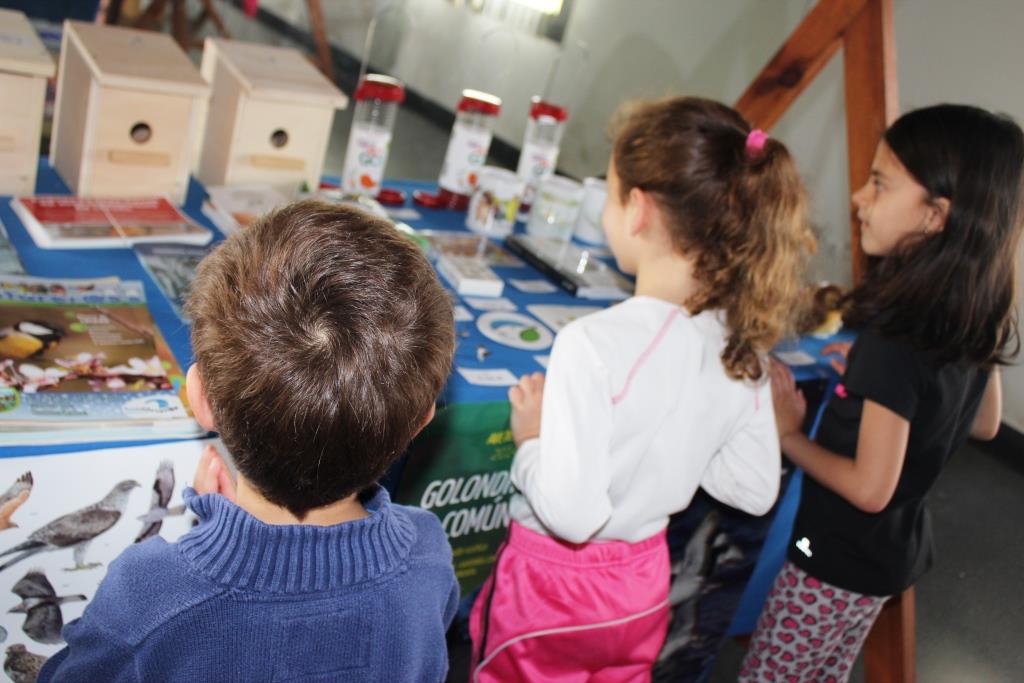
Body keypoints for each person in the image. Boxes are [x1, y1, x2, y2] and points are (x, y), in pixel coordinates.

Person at [469, 96, 816, 681]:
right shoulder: (740, 350)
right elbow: (755, 490)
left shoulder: (591, 344)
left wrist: (531, 442)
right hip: (642, 588)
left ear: (638, 210)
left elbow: (573, 517)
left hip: (552, 594)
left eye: (609, 194)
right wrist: (678, 445)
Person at [39, 201, 459, 682]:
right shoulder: (428, 553)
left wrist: (216, 542)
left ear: (200, 399)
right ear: (422, 421)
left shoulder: (150, 595)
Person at [740, 104, 1023, 683]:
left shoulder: (895, 337)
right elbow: (984, 423)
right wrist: (880, 389)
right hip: (888, 558)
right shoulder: (973, 312)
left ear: (935, 216)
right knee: (823, 674)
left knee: (770, 675)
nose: (858, 197)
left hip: (828, 558)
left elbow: (870, 489)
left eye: (879, 183)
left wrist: (788, 435)